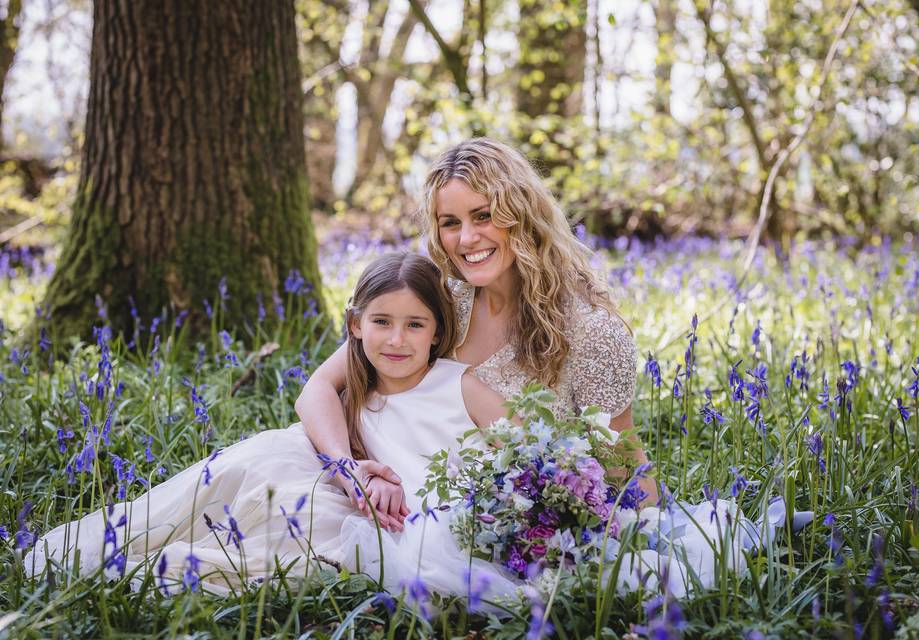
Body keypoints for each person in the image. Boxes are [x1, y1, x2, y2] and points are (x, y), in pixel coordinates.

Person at [23, 253, 515, 597]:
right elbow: (315, 395)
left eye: (415, 325)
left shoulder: (460, 385)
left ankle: (165, 564)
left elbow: (524, 450)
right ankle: (125, 543)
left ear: (437, 333)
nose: (397, 340)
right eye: (382, 322)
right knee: (253, 469)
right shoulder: (359, 386)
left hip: (433, 517)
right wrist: (358, 471)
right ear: (355, 326)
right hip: (364, 492)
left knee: (285, 549)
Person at [296, 138, 657, 527]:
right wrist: (350, 471)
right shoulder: (442, 303)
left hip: (495, 523)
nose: (466, 239)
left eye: (483, 216)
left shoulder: (591, 332)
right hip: (389, 494)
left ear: (522, 216)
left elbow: (623, 465)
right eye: (450, 223)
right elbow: (319, 388)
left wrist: (637, 533)